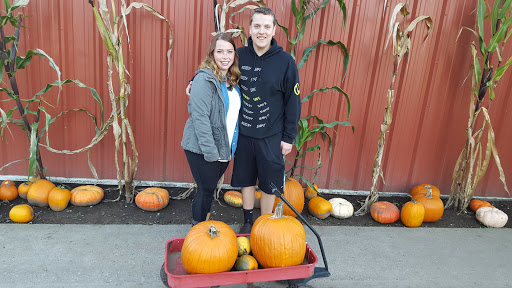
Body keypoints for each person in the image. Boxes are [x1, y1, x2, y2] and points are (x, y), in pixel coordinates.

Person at [186, 7, 301, 234]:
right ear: (249, 29)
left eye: (267, 27)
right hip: (245, 133)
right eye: (257, 26)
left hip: (272, 134)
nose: (261, 31)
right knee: (247, 180)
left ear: (274, 30)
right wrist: (194, 79)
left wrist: (289, 137)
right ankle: (248, 222)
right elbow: (217, 66)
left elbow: (293, 101)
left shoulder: (286, 62)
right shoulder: (241, 55)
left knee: (269, 183)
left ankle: (264, 224)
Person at [181, 32, 242, 225]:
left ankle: (203, 226)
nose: (225, 56)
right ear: (212, 54)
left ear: (234, 55)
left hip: (224, 149)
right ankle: (197, 232)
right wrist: (211, 152)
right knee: (206, 190)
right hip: (204, 149)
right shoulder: (204, 80)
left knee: (208, 189)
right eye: (220, 51)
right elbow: (200, 118)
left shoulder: (232, 80)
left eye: (229, 52)